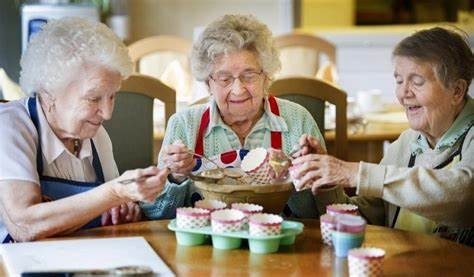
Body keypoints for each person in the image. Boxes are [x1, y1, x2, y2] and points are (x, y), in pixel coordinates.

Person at [291, 27, 474, 245]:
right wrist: (326, 181)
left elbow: (464, 196)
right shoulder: (408, 142)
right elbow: (367, 217)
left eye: (416, 81)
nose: (404, 93)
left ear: (457, 91)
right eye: (399, 80)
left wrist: (356, 173)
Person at [0, 17, 169, 242]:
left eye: (112, 96)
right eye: (93, 98)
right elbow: (25, 225)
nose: (107, 113)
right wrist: (114, 193)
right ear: (51, 93)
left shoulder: (96, 135)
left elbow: (111, 205)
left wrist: (125, 207)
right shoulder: (11, 126)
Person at [141, 14, 324, 219]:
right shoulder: (183, 125)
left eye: (249, 76)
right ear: (207, 83)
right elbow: (156, 215)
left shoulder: (298, 120)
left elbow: (325, 212)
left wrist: (309, 177)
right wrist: (175, 178)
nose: (238, 90)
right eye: (224, 78)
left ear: (266, 76)